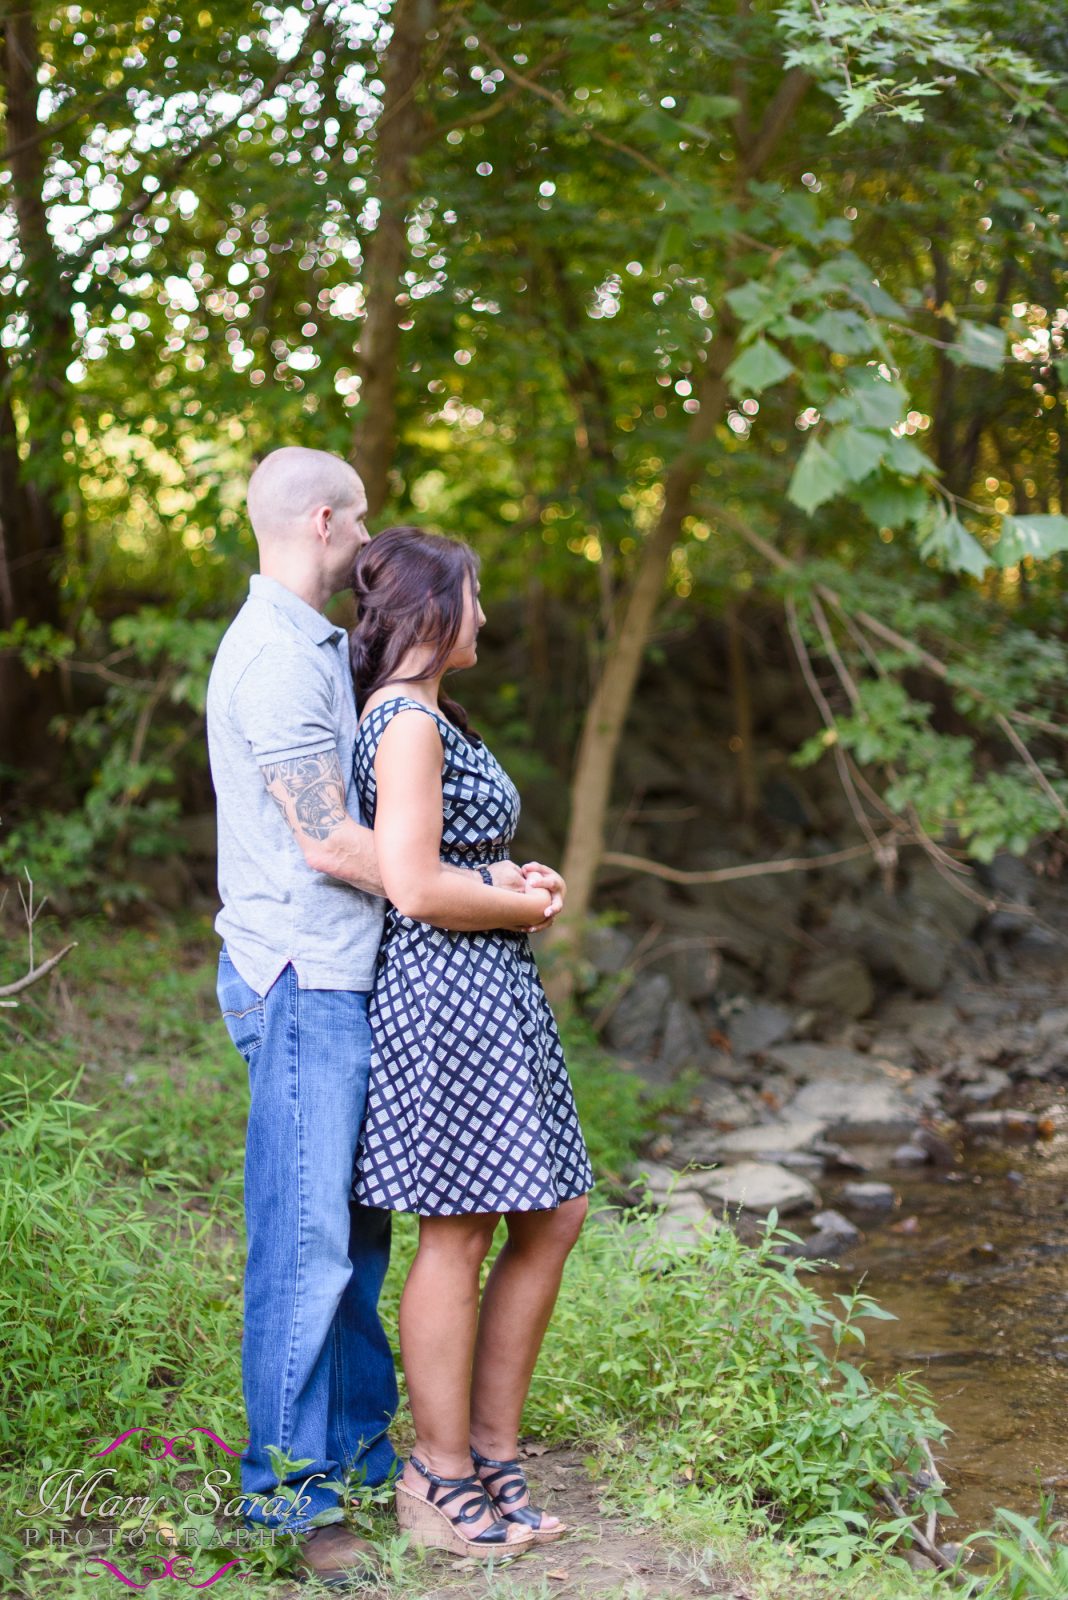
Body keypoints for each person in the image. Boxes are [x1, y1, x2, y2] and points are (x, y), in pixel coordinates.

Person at [206, 450, 562, 1588]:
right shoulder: (270, 657)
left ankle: (358, 1456)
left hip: (353, 977)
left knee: (354, 1248)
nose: (369, 545)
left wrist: (477, 872)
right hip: (304, 975)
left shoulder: (312, 650)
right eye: (359, 522)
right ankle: (290, 1501)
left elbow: (402, 847)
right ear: (323, 518)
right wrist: (482, 892)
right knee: (307, 1249)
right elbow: (336, 842)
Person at [349, 525, 594, 1558]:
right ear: (434, 609)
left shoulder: (434, 718)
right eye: (475, 598)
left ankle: (490, 1453)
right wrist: (521, 904)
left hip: (489, 989)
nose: (485, 617)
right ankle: (440, 1471)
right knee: (459, 1229)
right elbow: (412, 884)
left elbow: (455, 860)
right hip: (448, 995)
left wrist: (510, 877)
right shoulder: (405, 721)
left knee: (552, 1211)